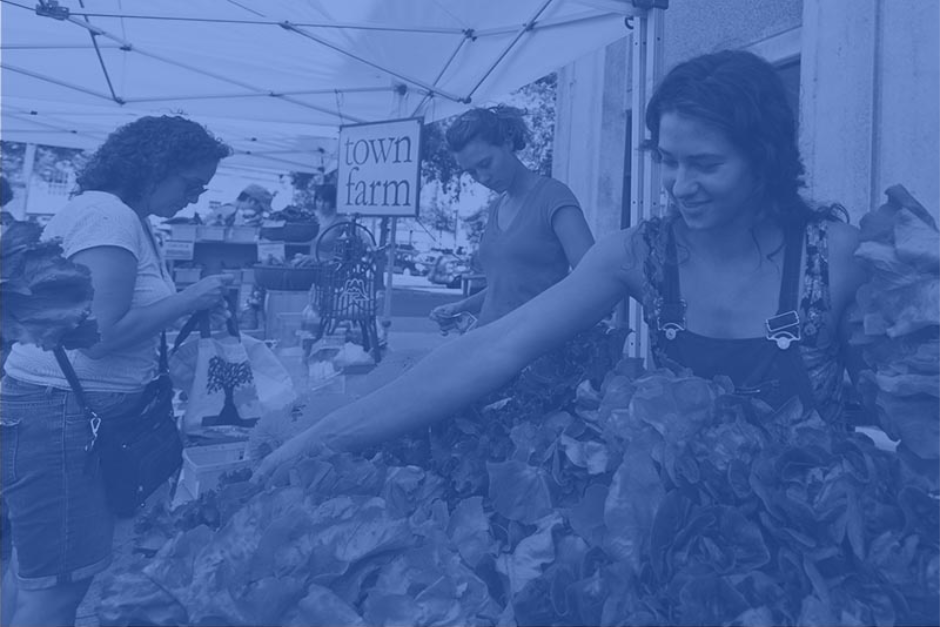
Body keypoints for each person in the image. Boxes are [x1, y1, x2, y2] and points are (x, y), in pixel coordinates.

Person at [255, 50, 867, 480]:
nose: (681, 187)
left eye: (706, 165)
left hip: (823, 524)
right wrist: (320, 439)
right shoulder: (641, 255)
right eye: (669, 162)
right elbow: (493, 348)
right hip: (692, 518)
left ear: (765, 159)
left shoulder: (837, 256)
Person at [0, 115, 234, 627]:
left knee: (34, 570)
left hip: (60, 410)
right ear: (155, 166)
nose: (194, 197)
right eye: (190, 183)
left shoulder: (121, 216)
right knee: (58, 588)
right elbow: (101, 339)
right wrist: (192, 297)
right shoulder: (108, 216)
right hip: (62, 413)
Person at [429, 105, 595, 333]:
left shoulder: (553, 197)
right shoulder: (496, 207)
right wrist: (463, 306)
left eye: (486, 164)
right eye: (472, 172)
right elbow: (509, 286)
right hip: (488, 342)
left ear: (507, 141)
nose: (483, 178)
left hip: (533, 348)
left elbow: (593, 278)